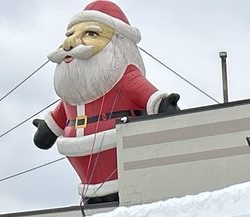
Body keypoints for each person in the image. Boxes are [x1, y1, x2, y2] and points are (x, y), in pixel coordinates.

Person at [32, 3, 180, 205]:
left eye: (91, 33)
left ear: (119, 43)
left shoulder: (126, 77)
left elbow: (152, 98)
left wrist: (164, 105)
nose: (69, 44)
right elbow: (47, 134)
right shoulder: (72, 92)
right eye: (70, 34)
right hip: (87, 182)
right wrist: (47, 128)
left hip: (125, 177)